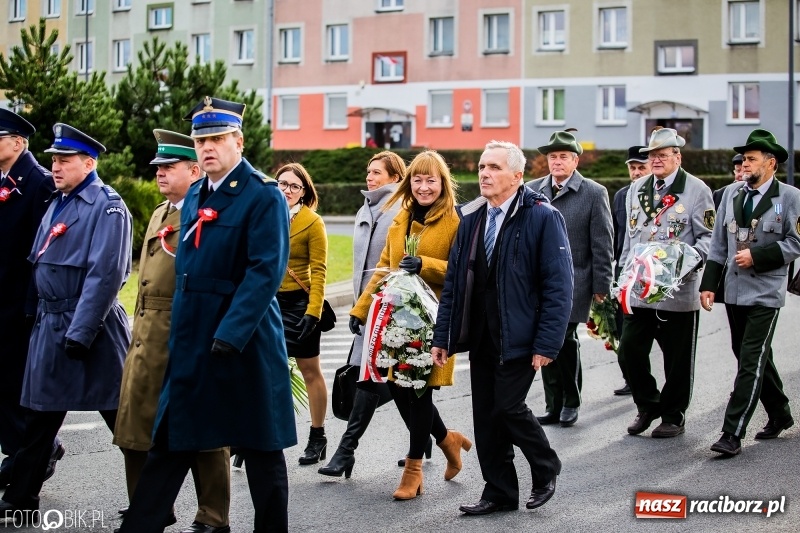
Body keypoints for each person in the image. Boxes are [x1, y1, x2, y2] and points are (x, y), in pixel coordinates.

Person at [119, 97, 296, 533]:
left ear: (239, 141)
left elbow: (264, 272)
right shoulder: (197, 192)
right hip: (193, 337)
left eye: (217, 138)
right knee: (170, 440)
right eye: (201, 141)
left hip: (244, 343)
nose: (207, 148)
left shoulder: (262, 195)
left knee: (261, 450)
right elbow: (187, 271)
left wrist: (230, 334)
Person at [0, 124, 131, 522]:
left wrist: (82, 331)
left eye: (65, 160)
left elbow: (106, 274)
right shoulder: (59, 201)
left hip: (90, 327)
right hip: (51, 321)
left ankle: (152, 501)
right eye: (54, 159)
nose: (55, 166)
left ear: (88, 163)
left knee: (122, 421)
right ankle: (21, 499)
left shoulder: (107, 206)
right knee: (39, 418)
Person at [432, 140, 571, 515]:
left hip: (521, 335)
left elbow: (559, 286)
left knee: (508, 407)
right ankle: (499, 492)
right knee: (486, 415)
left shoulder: (542, 216)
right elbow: (454, 284)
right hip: (481, 335)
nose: (485, 174)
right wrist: (443, 336)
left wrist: (547, 343)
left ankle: (546, 466)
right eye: (482, 167)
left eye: (494, 167)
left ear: (517, 175)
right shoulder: (471, 218)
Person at [113, 130, 231, 533]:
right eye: (158, 167)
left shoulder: (207, 214)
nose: (160, 173)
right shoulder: (161, 212)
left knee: (202, 429)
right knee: (134, 426)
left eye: (169, 167)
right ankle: (148, 507)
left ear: (195, 171)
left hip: (186, 329)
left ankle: (212, 516)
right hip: (148, 333)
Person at [348, 150, 469, 500]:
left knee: (419, 390)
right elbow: (385, 267)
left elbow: (463, 272)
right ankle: (448, 440)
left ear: (443, 183)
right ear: (408, 182)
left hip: (433, 322)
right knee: (400, 387)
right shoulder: (400, 217)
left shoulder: (455, 220)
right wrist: (361, 309)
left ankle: (413, 471)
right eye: (418, 179)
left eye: (431, 180)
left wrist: (425, 264)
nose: (424, 186)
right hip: (396, 321)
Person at [700, 129, 800, 456]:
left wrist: (758, 256)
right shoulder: (731, 194)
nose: (744, 164)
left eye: (752, 159)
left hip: (766, 290)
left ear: (771, 163)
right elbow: (718, 244)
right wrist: (709, 285)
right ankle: (781, 413)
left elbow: (796, 241)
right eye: (743, 159)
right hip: (734, 288)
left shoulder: (790, 197)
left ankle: (732, 432)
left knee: (750, 360)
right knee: (749, 355)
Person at [618, 127, 714, 439]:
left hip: (677, 289)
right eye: (652, 156)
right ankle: (648, 404)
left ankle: (673, 415)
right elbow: (630, 239)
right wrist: (622, 278)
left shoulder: (696, 190)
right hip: (640, 288)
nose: (656, 160)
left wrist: (679, 262)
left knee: (677, 360)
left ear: (677, 157)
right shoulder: (637, 188)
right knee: (628, 350)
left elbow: (709, 239)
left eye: (662, 155)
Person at [318, 151, 406, 477]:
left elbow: (391, 266)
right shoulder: (364, 209)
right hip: (364, 308)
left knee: (371, 380)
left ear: (395, 177)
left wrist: (371, 305)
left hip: (388, 310)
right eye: (368, 171)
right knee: (396, 383)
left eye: (377, 172)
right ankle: (433, 437)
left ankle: (346, 450)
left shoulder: (402, 210)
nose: (369, 177)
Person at [527, 130, 613, 427]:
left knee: (562, 339)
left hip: (577, 281)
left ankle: (570, 401)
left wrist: (602, 285)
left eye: (564, 156)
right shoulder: (532, 190)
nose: (557, 161)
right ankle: (553, 404)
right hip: (539, 283)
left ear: (575, 160)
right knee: (545, 340)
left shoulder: (594, 193)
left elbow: (602, 243)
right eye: (553, 157)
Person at [0, 110, 63, 491]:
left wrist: (32, 304)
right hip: (2, 300)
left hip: (21, 303)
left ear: (18, 142)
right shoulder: (5, 180)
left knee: (16, 385)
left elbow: (44, 251)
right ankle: (24, 454)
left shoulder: (38, 182)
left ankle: (32, 455)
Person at [274, 162, 329, 466]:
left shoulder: (312, 222)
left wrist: (313, 311)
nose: (287, 190)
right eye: (283, 183)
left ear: (304, 191)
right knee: (268, 370)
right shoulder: (266, 214)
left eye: (295, 186)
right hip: (269, 302)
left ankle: (317, 436)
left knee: (309, 370)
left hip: (300, 303)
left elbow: (319, 271)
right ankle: (262, 434)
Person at [610, 146, 651, 396]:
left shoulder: (658, 197)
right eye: (632, 168)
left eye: (641, 168)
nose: (636, 172)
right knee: (624, 334)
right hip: (625, 273)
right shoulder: (621, 196)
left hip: (653, 275)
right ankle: (632, 380)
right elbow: (615, 235)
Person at [711, 153, 746, 360]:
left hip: (760, 279)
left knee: (753, 344)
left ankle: (747, 380)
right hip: (731, 277)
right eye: (737, 170)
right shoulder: (722, 194)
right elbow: (716, 240)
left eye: (744, 169)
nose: (740, 174)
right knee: (738, 341)